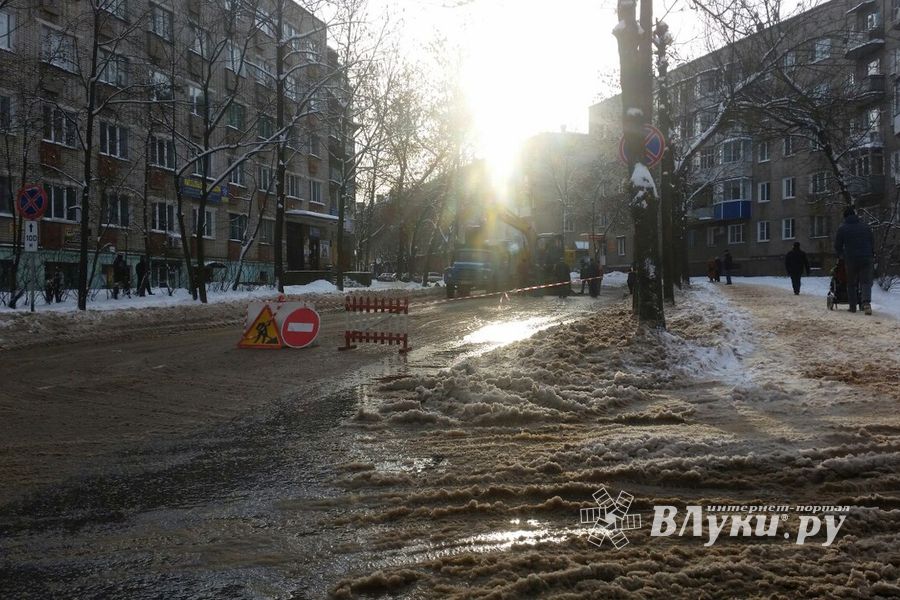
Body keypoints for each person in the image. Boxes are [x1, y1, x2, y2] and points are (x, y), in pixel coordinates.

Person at [834, 205, 875, 314]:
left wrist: (841, 255)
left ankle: (852, 307)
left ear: (845, 217)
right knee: (865, 282)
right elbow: (872, 241)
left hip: (851, 259)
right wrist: (871, 253)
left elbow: (837, 246)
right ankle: (866, 304)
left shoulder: (842, 228)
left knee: (851, 283)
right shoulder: (865, 226)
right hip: (866, 257)